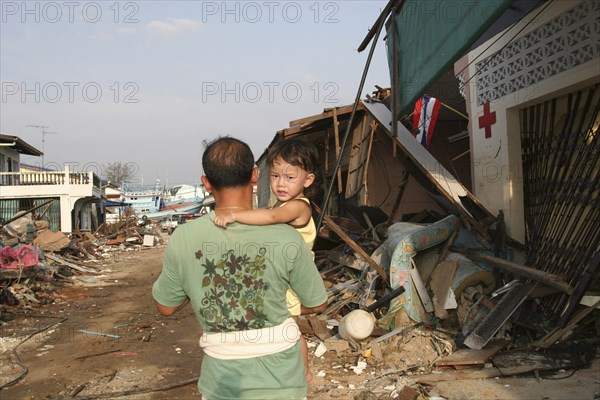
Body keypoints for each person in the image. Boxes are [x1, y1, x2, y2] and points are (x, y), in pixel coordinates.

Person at [152, 136, 327, 400]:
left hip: (222, 384)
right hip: (282, 383)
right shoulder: (287, 236)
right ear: (255, 176)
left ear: (206, 183)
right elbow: (317, 304)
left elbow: (166, 307)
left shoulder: (184, 237)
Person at [213, 138, 320, 382]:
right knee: (275, 325)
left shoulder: (299, 207)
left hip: (292, 280)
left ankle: (303, 371)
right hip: (279, 277)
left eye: (290, 177)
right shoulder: (284, 203)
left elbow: (271, 217)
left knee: (289, 329)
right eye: (275, 176)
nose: (280, 183)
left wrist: (235, 216)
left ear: (308, 180)